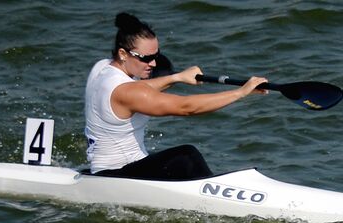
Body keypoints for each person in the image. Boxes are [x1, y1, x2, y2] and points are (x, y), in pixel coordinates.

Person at [85, 12, 269, 181]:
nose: (154, 63)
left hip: (106, 170)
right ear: (123, 54)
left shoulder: (101, 69)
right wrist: (241, 92)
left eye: (156, 55)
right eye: (146, 58)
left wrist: (177, 77)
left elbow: (138, 88)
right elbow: (186, 107)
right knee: (186, 156)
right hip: (118, 176)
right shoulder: (128, 92)